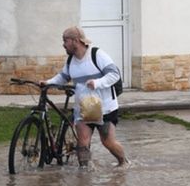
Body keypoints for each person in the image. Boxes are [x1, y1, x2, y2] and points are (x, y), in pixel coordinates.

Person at [42, 26, 128, 167]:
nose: (63, 44)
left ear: (76, 41)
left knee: (108, 142)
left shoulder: (97, 54)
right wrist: (48, 82)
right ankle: (85, 175)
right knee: (82, 144)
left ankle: (123, 163)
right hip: (83, 109)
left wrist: (97, 83)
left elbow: (114, 74)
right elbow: (63, 77)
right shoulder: (71, 61)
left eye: (66, 40)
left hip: (105, 108)